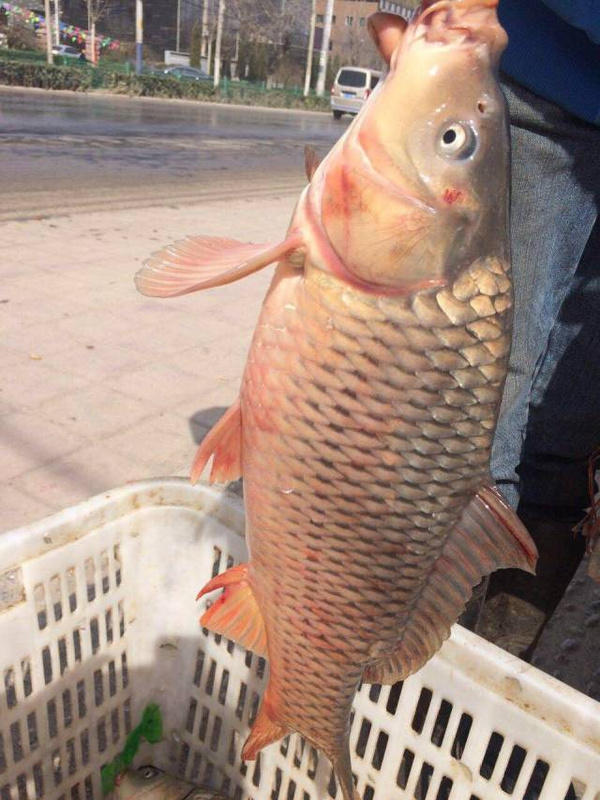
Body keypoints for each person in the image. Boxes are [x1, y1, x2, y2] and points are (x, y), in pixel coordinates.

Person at [370, 0, 600, 657]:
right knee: (469, 424)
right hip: (541, 90)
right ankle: (400, 665)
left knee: (572, 445)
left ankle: (484, 678)